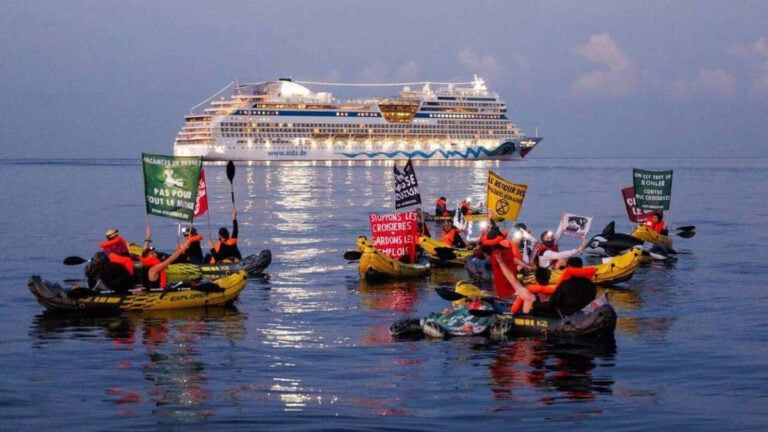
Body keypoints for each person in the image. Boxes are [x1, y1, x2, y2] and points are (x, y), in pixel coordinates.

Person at [485, 231, 535, 299]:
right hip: (508, 279)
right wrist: (526, 265)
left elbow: (512, 259)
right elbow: (512, 259)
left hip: (506, 279)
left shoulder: (499, 251)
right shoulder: (505, 247)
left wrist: (526, 265)